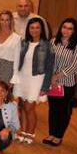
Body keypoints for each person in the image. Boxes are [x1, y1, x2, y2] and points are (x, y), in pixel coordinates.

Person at [14, 17, 54, 145]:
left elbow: (50, 67)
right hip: (22, 77)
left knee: (29, 107)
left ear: (41, 29)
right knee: (22, 106)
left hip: (36, 79)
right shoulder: (24, 43)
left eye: (37, 28)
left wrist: (45, 86)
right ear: (28, 29)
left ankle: (30, 133)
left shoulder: (47, 45)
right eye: (32, 27)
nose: (34, 30)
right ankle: (23, 131)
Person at [45, 18, 77, 146]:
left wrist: (57, 76)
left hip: (67, 83)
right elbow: (48, 59)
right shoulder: (54, 41)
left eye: (70, 28)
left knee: (64, 111)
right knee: (53, 109)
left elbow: (74, 65)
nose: (66, 31)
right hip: (52, 82)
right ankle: (51, 134)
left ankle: (58, 136)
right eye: (64, 27)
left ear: (74, 31)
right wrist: (51, 76)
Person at [0, 10, 21, 91]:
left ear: (11, 21)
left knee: (2, 92)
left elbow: (17, 58)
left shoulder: (16, 38)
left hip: (7, 67)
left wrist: (14, 76)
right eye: (2, 19)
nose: (4, 22)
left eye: (7, 20)